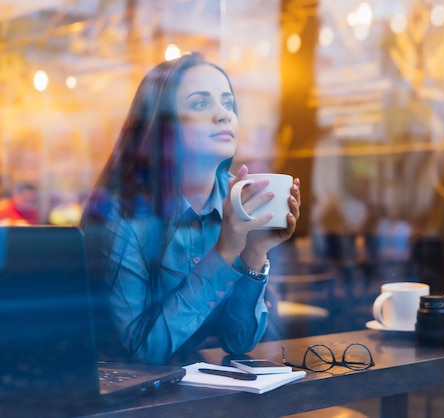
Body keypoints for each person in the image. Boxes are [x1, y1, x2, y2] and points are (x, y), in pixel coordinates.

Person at [80, 52, 301, 365]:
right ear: (162, 127)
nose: (223, 114)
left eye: (228, 103)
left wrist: (254, 253)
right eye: (200, 103)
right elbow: (144, 348)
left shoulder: (236, 197)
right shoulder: (123, 213)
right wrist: (224, 253)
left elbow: (239, 342)